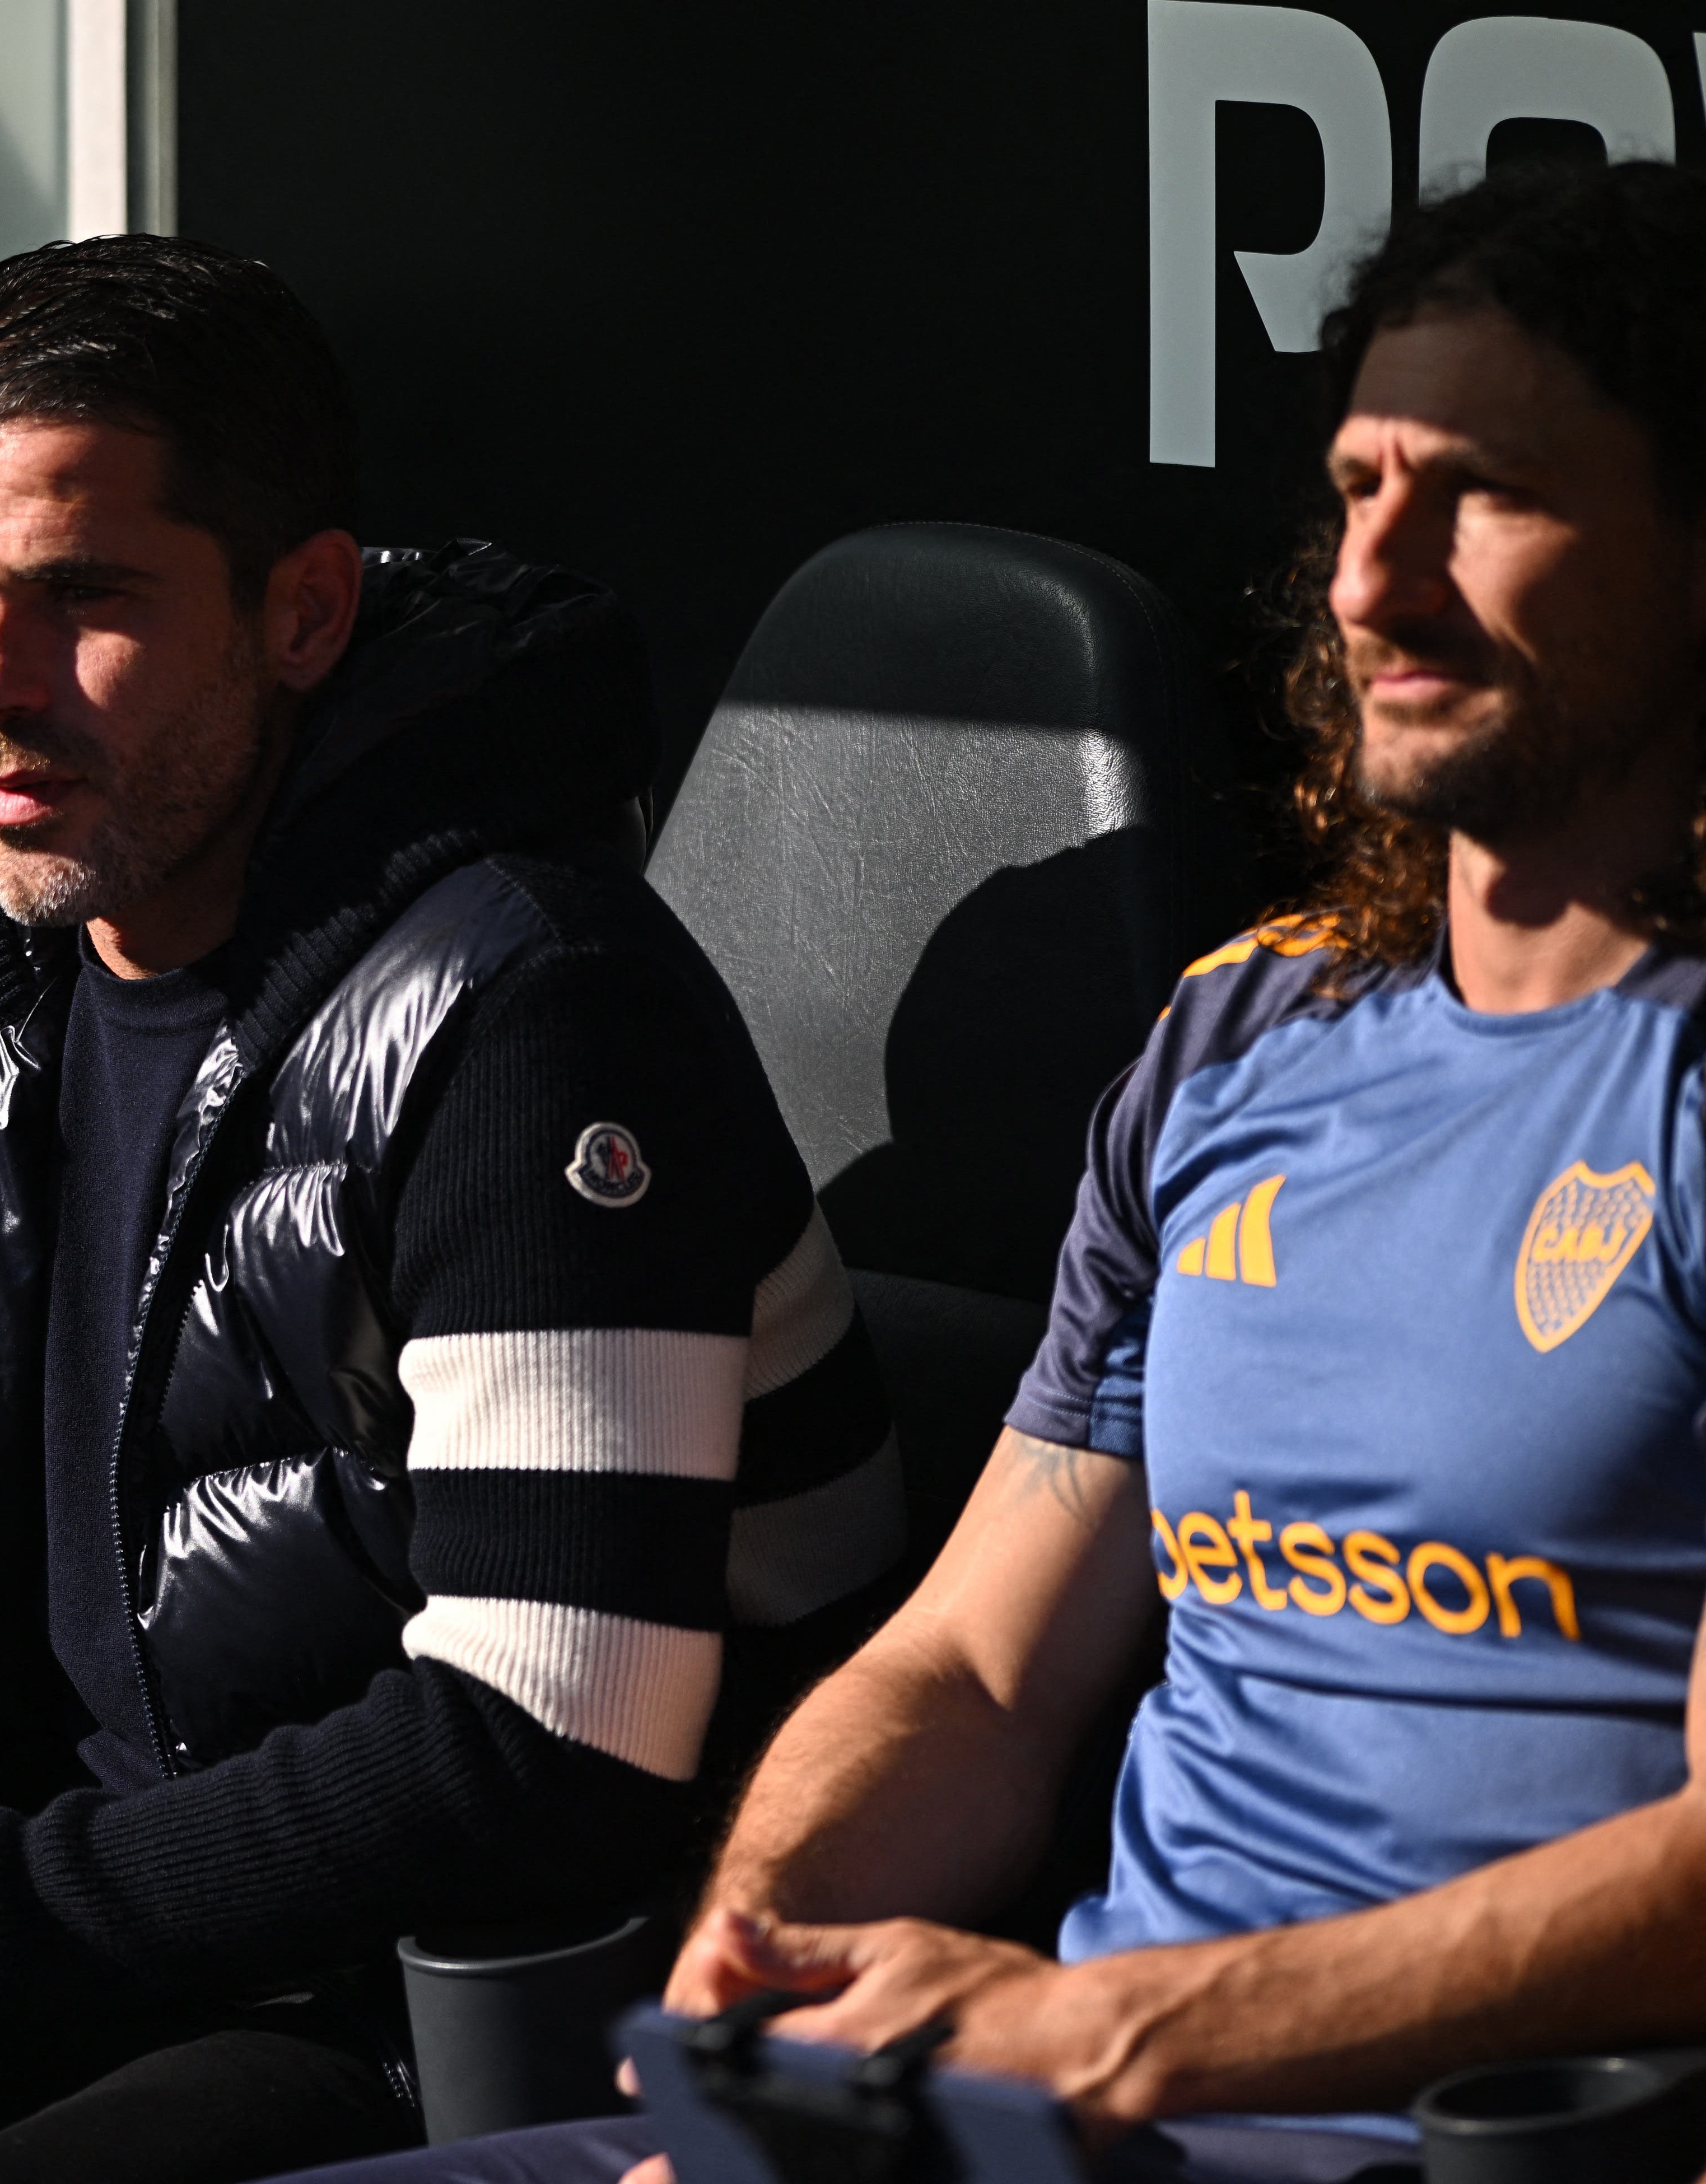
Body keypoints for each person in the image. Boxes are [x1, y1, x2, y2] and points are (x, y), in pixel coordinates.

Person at [269, 156, 1706, 2184]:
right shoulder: (1239, 1036)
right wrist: (756, 1984)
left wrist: (1108, 2029)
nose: (1372, 582)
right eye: (1359, 491)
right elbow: (975, 1671)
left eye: (1485, 496)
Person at [0, 234, 897, 2184]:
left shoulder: (531, 1001)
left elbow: (548, 1735)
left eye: (81, 598)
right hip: (15, 1949)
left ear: (303, 611)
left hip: (424, 2023)